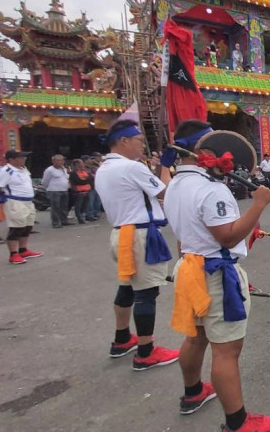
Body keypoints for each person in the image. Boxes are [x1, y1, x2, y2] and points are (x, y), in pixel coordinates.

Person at [165, 120, 270, 431]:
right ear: (202, 150)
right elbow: (227, 237)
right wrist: (258, 205)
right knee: (226, 351)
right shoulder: (211, 190)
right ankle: (238, 422)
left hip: (190, 266)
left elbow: (185, 234)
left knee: (196, 336)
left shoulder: (176, 183)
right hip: (215, 274)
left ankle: (192, 393)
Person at [94, 120, 179, 370]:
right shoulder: (131, 167)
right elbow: (166, 192)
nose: (142, 144)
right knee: (146, 292)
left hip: (120, 233)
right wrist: (165, 167)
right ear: (124, 141)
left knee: (127, 287)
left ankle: (122, 338)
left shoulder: (104, 168)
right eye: (139, 140)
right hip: (140, 236)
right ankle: (146, 351)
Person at [0, 150, 42, 265]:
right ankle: (13, 254)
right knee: (16, 228)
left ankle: (23, 250)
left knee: (27, 227)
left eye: (24, 157)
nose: (24, 159)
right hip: (15, 202)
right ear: (11, 160)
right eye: (21, 157)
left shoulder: (23, 169)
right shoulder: (6, 171)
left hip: (28, 202)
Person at [42, 154, 71, 228]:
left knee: (64, 207)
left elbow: (66, 178)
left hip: (64, 189)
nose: (60, 162)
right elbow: (45, 181)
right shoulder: (49, 170)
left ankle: (64, 220)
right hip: (54, 190)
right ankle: (56, 223)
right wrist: (48, 188)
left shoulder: (64, 169)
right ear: (53, 161)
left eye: (62, 160)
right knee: (55, 207)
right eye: (58, 160)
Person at [70, 158, 96, 223]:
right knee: (78, 206)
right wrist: (85, 179)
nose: (83, 164)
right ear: (77, 164)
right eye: (81, 163)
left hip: (87, 191)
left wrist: (85, 179)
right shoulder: (73, 173)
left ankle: (83, 217)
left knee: (85, 206)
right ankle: (80, 219)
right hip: (79, 192)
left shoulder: (84, 171)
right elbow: (79, 181)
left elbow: (90, 179)